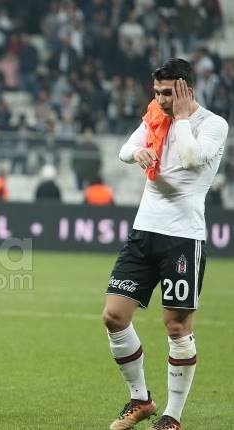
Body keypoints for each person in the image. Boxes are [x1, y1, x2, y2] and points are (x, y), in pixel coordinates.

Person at [102, 58, 228, 430]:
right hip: (144, 233)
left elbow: (190, 159)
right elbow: (125, 149)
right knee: (113, 316)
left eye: (167, 93)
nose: (160, 99)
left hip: (182, 239)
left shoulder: (213, 125)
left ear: (187, 89)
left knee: (176, 327)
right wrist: (138, 152)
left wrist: (185, 116)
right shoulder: (156, 116)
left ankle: (172, 416)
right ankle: (140, 399)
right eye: (156, 92)